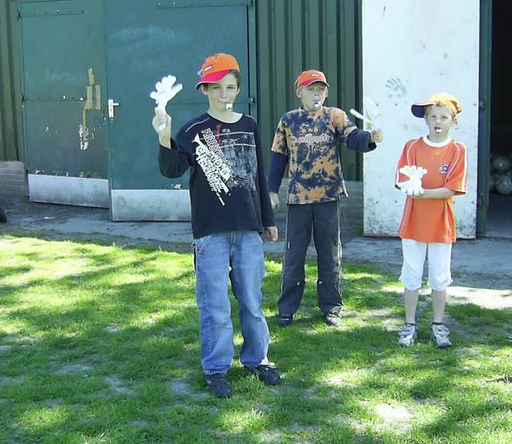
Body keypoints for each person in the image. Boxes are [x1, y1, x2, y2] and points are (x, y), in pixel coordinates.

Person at [152, 53, 281, 399]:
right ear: (205, 90)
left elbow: (257, 175)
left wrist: (267, 220)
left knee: (252, 301)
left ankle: (258, 359)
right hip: (210, 233)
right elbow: (171, 169)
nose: (225, 95)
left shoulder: (250, 125)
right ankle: (216, 368)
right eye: (217, 88)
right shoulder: (194, 131)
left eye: (231, 87)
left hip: (248, 230)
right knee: (215, 305)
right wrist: (164, 136)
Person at [268, 70, 384, 327]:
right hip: (298, 199)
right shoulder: (289, 121)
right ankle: (287, 308)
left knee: (329, 255)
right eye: (310, 88)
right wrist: (272, 191)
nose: (316, 93)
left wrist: (370, 139)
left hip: (329, 198)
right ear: (299, 92)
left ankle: (332, 307)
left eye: (320, 88)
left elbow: (353, 137)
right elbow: (278, 157)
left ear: (327, 92)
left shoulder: (335, 116)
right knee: (294, 255)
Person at [394, 93, 467, 348]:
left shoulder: (457, 150)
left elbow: (451, 189)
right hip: (413, 223)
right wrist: (410, 184)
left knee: (439, 276)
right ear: (425, 119)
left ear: (453, 121)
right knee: (411, 274)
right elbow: (402, 180)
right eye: (433, 116)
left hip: (441, 225)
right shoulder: (412, 146)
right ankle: (409, 324)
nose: (438, 121)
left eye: (444, 117)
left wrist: (422, 193)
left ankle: (438, 324)